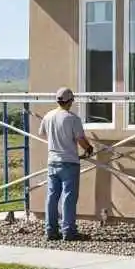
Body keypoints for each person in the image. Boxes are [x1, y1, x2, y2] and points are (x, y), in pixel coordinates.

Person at [38, 86, 94, 242]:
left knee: (52, 197)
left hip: (52, 162)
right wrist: (89, 148)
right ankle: (69, 232)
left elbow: (42, 133)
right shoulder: (72, 118)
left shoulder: (48, 116)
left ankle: (50, 231)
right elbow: (80, 139)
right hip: (69, 162)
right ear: (70, 101)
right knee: (68, 198)